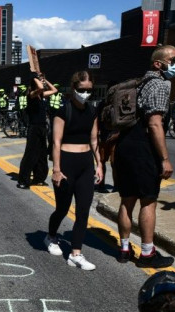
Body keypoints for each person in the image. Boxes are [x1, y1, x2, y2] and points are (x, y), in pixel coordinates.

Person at [115, 45, 175, 268]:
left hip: (124, 146)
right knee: (148, 201)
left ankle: (124, 249)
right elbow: (154, 123)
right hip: (143, 149)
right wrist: (164, 158)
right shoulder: (160, 84)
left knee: (126, 200)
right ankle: (147, 254)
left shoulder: (138, 84)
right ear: (158, 64)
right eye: (173, 59)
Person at [43, 71, 102, 271]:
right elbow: (56, 142)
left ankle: (76, 254)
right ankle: (51, 236)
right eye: (81, 90)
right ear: (73, 88)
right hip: (66, 163)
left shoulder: (93, 111)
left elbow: (94, 140)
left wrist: (100, 164)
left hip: (86, 164)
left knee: (83, 210)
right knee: (62, 208)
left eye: (89, 90)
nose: (85, 94)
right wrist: (57, 169)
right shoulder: (62, 111)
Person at [17, 74, 58, 189]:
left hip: (42, 128)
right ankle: (23, 180)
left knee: (42, 155)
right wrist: (35, 78)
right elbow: (40, 88)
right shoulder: (32, 95)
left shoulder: (42, 95)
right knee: (30, 155)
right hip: (34, 128)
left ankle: (39, 178)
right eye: (40, 81)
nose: (42, 82)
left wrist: (46, 80)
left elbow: (55, 90)